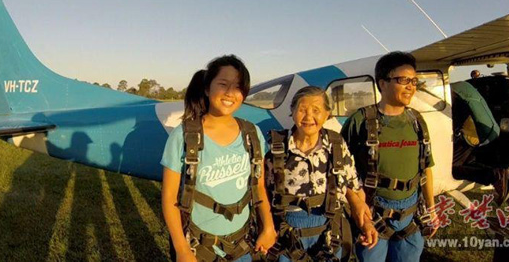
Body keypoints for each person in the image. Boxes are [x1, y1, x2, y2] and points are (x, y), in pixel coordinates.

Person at [161, 55, 276, 262]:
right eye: (223, 84)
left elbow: (258, 186)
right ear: (207, 88)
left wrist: (268, 225)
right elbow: (169, 197)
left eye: (238, 87)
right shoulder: (184, 135)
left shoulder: (252, 134)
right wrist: (182, 249)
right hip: (199, 247)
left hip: (242, 245)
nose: (230, 93)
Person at [341, 51, 436, 262]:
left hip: (411, 215)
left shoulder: (417, 121)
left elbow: (426, 168)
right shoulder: (361, 121)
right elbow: (341, 171)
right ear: (382, 83)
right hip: (373, 214)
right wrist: (357, 208)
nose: (411, 86)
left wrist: (431, 208)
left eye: (414, 80)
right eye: (403, 80)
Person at [265, 86, 378, 262]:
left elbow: (353, 186)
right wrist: (267, 228)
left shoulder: (336, 144)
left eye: (316, 110)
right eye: (302, 109)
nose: (309, 116)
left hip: (329, 230)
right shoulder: (276, 148)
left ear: (327, 114)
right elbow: (261, 190)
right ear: (292, 112)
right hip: (287, 233)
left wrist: (365, 224)